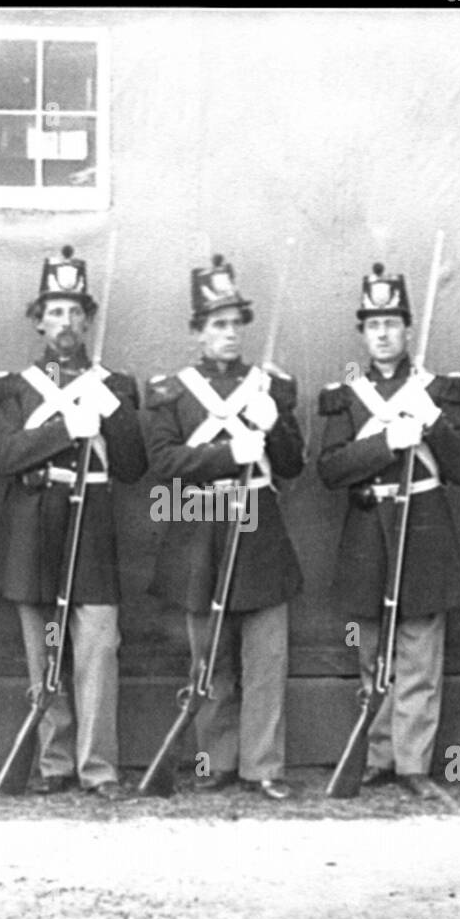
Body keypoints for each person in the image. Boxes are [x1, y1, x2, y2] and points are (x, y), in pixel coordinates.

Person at [0, 245, 147, 800]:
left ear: (88, 320)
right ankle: (55, 762)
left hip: (94, 518)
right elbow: (3, 457)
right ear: (38, 321)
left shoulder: (116, 384)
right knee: (45, 646)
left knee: (99, 646)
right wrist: (64, 431)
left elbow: (132, 468)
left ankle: (97, 767)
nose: (67, 323)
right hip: (35, 523)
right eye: (55, 312)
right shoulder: (13, 386)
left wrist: (111, 413)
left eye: (77, 312)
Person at [142, 254, 304, 801]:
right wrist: (228, 450)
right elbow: (162, 464)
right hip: (198, 522)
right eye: (217, 324)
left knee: (265, 658)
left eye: (236, 324)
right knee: (209, 658)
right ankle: (215, 760)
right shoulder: (171, 391)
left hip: (259, 523)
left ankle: (263, 765)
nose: (229, 334)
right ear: (197, 332)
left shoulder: (270, 388)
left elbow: (292, 465)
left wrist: (273, 426)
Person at [317, 262, 460, 797]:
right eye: (373, 324)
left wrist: (431, 421)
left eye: (392, 322)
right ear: (363, 333)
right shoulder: (345, 396)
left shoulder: (439, 391)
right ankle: (378, 755)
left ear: (408, 329)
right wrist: (388, 444)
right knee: (372, 653)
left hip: (425, 525)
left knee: (419, 654)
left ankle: (413, 764)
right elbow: (331, 469)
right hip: (368, 527)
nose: (383, 333)